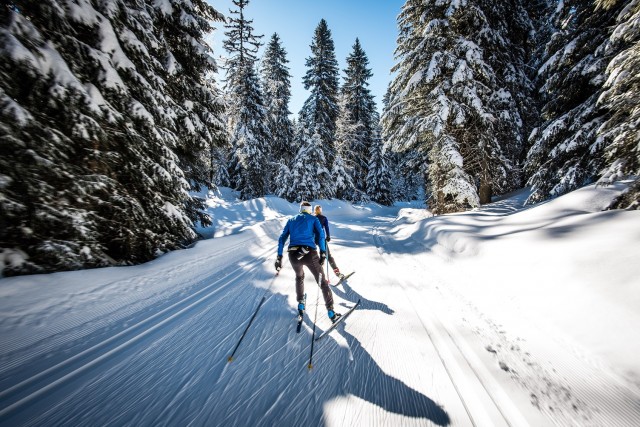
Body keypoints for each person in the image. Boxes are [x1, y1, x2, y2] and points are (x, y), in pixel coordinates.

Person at [275, 201, 341, 323]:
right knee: (322, 282)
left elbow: (282, 238)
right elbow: (321, 236)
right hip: (310, 254)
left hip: (293, 255)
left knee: (299, 277)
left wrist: (279, 257)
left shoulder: (291, 220)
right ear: (309, 209)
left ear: (300, 209)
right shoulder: (313, 219)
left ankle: (300, 304)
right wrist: (322, 252)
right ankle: (331, 312)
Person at [314, 205, 345, 280]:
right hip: (321, 239)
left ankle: (319, 274)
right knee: (327, 255)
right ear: (320, 210)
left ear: (315, 210)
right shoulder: (324, 218)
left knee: (315, 256)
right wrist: (328, 236)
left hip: (313, 240)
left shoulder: (312, 218)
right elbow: (327, 227)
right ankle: (337, 272)